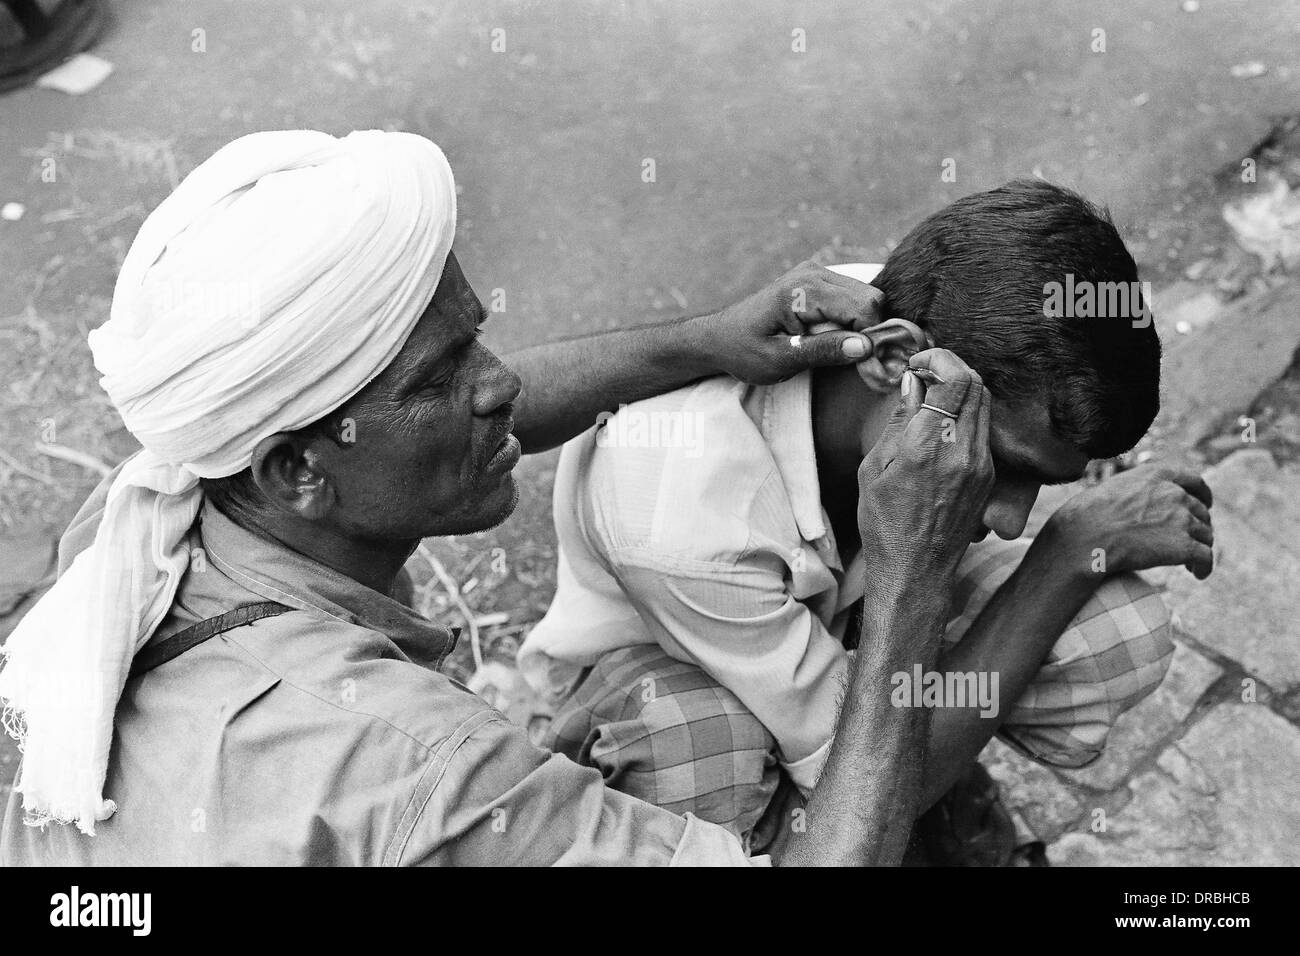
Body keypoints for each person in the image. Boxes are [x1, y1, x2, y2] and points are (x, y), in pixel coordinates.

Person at [0, 128, 993, 866]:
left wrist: (700, 342)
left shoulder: (156, 512)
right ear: (296, 469)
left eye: (474, 335)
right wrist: (909, 565)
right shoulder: (422, 768)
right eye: (441, 378)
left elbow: (479, 407)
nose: (500, 382)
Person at [519, 181, 1216, 844]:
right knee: (696, 742)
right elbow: (873, 788)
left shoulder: (921, 322)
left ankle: (903, 777)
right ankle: (789, 831)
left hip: (833, 621)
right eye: (1005, 464)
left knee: (1111, 633)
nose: (1009, 520)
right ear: (895, 361)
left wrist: (1075, 550)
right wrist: (1060, 557)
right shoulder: (684, 520)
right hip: (669, 685)